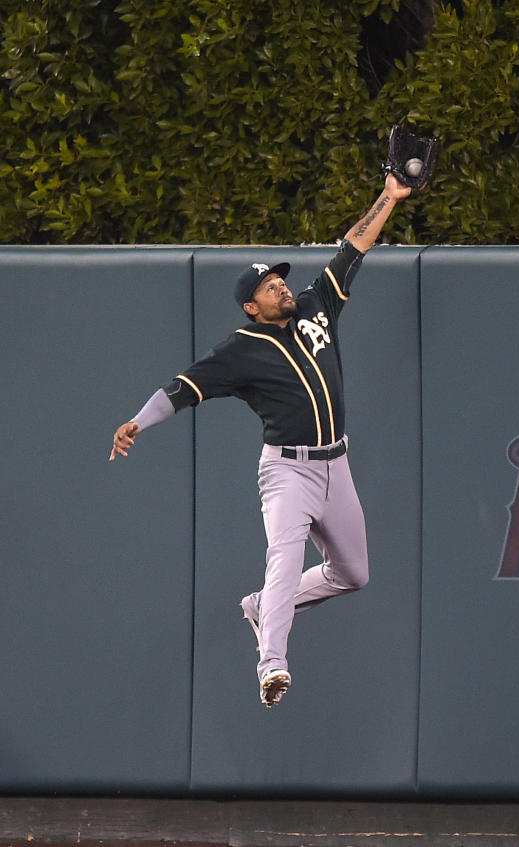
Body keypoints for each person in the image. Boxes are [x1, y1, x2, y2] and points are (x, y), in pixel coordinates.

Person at [110, 173, 412, 707]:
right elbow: (181, 388)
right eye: (269, 286)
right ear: (251, 307)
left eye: (280, 280)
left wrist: (389, 195)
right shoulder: (240, 349)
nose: (280, 286)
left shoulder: (318, 304)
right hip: (287, 471)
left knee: (354, 573)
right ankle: (271, 663)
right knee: (284, 561)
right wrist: (138, 421)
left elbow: (353, 246)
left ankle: (262, 606)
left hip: (335, 465)